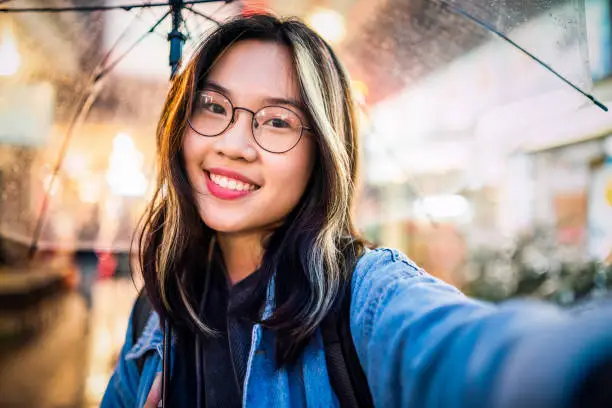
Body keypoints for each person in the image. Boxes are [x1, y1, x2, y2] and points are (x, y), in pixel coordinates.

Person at [101, 14, 612, 408]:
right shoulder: (157, 312)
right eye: (212, 106)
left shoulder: (363, 297)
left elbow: (474, 353)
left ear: (321, 152)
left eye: (277, 121)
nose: (234, 144)